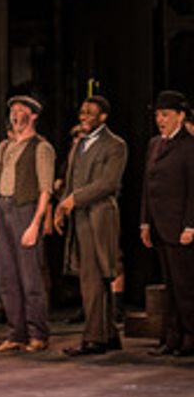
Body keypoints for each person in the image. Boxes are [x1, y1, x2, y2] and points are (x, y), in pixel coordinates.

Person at [55, 95, 127, 356]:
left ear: (103, 117)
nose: (83, 116)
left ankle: (94, 338)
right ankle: (107, 335)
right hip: (80, 218)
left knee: (96, 277)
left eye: (90, 113)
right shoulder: (80, 144)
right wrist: (62, 207)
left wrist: (73, 200)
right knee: (92, 277)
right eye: (82, 111)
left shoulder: (115, 145)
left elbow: (108, 184)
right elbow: (70, 180)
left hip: (100, 216)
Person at [0, 95, 55, 352]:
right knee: (7, 276)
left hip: (25, 209)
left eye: (21, 110)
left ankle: (38, 333)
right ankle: (16, 333)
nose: (15, 114)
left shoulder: (41, 147)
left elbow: (45, 189)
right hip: (3, 209)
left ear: (33, 115)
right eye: (12, 110)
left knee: (30, 276)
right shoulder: (4, 146)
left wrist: (36, 223)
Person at [140, 90, 194, 356]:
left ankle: (190, 337)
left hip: (180, 227)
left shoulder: (189, 145)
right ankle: (171, 337)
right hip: (160, 225)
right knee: (169, 287)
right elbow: (147, 186)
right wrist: (144, 222)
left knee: (185, 287)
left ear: (181, 116)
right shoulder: (154, 144)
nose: (160, 120)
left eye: (166, 115)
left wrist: (190, 225)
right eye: (158, 115)